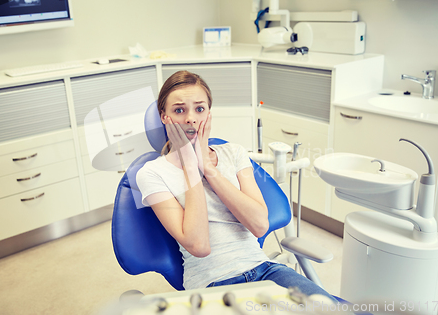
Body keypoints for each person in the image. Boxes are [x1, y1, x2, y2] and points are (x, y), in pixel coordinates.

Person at [136, 70, 336, 301]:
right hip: (211, 284)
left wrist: (209, 169)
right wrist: (191, 167)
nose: (191, 118)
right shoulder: (151, 173)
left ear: (209, 113)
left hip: (266, 270)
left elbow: (260, 225)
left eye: (199, 109)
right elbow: (199, 246)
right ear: (164, 116)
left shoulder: (233, 153)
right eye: (179, 110)